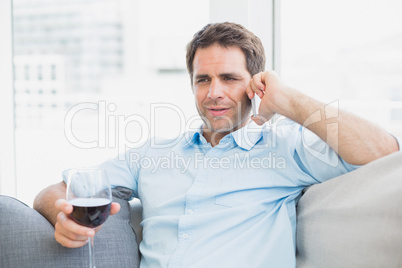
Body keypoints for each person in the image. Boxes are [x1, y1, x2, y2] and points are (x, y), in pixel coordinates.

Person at [33, 22, 399, 267]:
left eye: (229, 78)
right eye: (202, 79)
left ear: (256, 84)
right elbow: (57, 190)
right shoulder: (152, 154)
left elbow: (383, 151)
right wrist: (61, 215)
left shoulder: (286, 149)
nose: (214, 93)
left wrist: (287, 98)